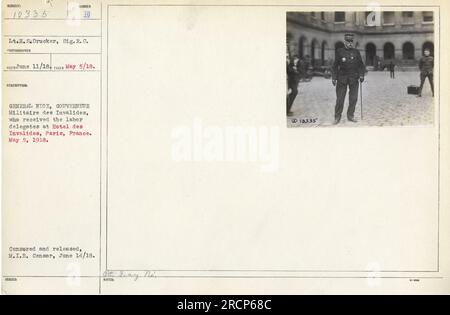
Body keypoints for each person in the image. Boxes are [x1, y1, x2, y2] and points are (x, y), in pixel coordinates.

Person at [332, 33, 366, 124]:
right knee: (340, 99)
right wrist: (334, 77)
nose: (350, 43)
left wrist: (362, 75)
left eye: (351, 41)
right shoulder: (339, 51)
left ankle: (350, 115)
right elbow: (335, 65)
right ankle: (337, 116)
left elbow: (361, 66)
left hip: (354, 79)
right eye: (348, 41)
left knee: (353, 98)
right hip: (342, 79)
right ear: (345, 42)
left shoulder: (356, 52)